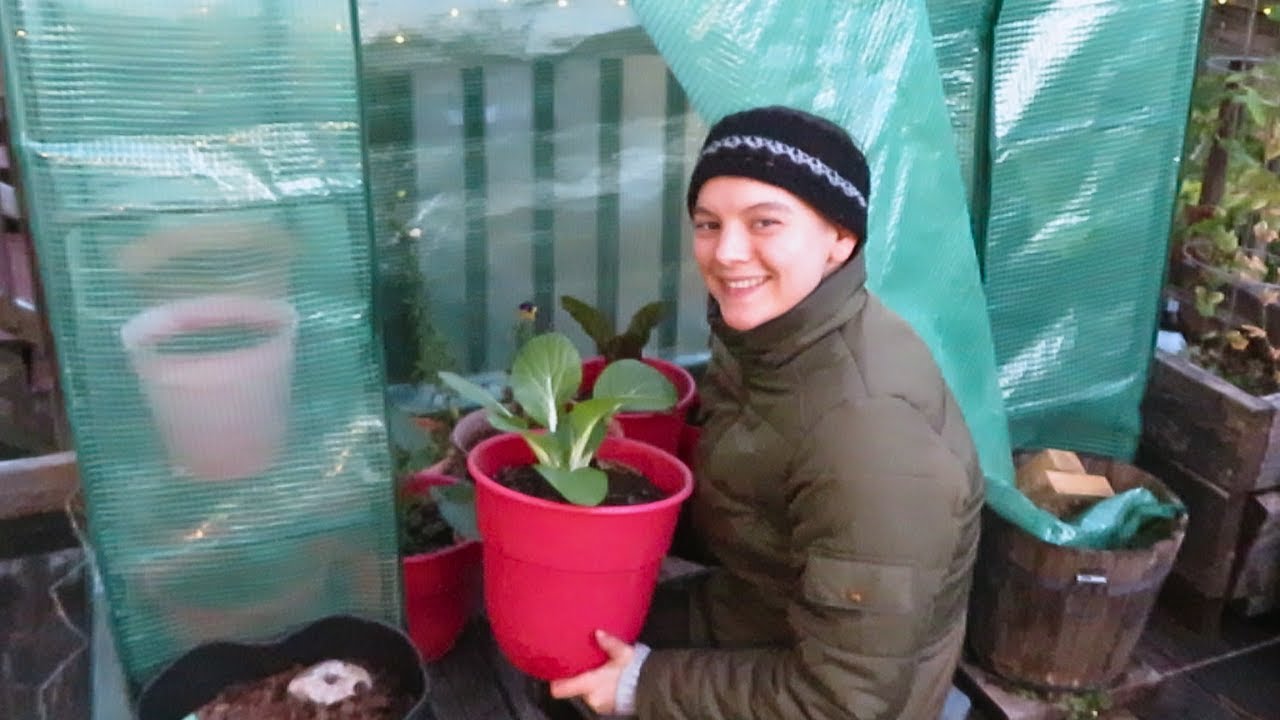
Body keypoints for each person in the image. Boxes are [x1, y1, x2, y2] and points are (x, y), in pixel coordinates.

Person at [550, 105, 984, 719]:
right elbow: (753, 497)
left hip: (830, 692)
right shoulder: (772, 341)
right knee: (561, 637)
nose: (727, 252)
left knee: (579, 678)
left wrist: (638, 686)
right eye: (708, 223)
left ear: (840, 237)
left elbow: (845, 701)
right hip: (760, 609)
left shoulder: (872, 434)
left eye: (764, 223)